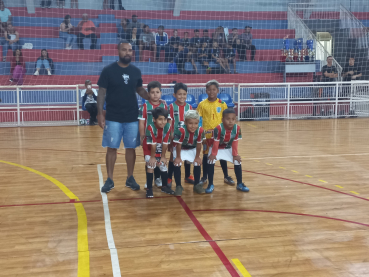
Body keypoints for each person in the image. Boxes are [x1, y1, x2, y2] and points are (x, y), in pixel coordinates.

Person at [97, 40, 151, 193]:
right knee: (112, 148)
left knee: (131, 148)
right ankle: (110, 179)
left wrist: (151, 97)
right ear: (118, 51)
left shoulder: (136, 71)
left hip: (132, 117)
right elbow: (101, 93)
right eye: (124, 50)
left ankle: (130, 177)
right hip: (113, 117)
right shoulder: (108, 70)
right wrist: (100, 113)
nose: (128, 52)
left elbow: (140, 90)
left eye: (130, 50)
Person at [197, 80, 231, 186]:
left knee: (221, 156)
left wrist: (226, 132)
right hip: (207, 136)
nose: (211, 91)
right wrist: (201, 133)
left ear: (218, 90)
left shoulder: (222, 104)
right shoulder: (202, 104)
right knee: (206, 156)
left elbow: (226, 119)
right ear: (206, 91)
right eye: (209, 89)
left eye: (214, 89)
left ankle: (226, 176)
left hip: (219, 135)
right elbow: (198, 120)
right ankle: (204, 177)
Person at [206, 109, 249, 193]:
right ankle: (210, 184)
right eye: (228, 119)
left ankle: (239, 184)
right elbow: (216, 143)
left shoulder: (237, 128)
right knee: (210, 161)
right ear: (222, 120)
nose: (230, 121)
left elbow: (235, 142)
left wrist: (235, 154)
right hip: (216, 148)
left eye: (233, 119)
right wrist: (213, 154)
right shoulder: (218, 129)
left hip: (227, 147)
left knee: (237, 161)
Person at [138, 81, 171, 188]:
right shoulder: (144, 106)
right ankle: (149, 181)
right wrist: (142, 135)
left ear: (161, 93)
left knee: (159, 159)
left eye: (157, 92)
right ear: (148, 94)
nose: (155, 94)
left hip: (161, 138)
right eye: (152, 92)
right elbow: (142, 122)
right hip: (149, 138)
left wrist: (169, 132)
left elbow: (168, 120)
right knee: (149, 160)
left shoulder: (164, 105)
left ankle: (157, 179)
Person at [143, 107, 174, 198]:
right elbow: (152, 144)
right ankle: (149, 189)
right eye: (160, 119)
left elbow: (165, 142)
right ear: (154, 119)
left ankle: (164, 186)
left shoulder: (167, 126)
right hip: (149, 148)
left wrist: (163, 156)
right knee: (151, 165)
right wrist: (152, 157)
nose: (163, 122)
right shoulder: (150, 127)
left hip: (160, 145)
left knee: (163, 165)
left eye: (165, 119)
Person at [173, 110, 205, 195]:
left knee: (197, 163)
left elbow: (199, 144)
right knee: (177, 163)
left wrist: (197, 157)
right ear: (185, 122)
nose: (193, 126)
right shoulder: (181, 130)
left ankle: (197, 185)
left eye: (195, 123)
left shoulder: (200, 130)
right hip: (181, 148)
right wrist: (178, 157)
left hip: (192, 148)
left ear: (198, 123)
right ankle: (178, 186)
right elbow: (178, 145)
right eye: (190, 123)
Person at [167, 83, 194, 187]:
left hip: (187, 136)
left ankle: (188, 176)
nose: (182, 96)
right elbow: (169, 123)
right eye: (179, 94)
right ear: (174, 95)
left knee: (188, 156)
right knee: (173, 156)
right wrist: (170, 136)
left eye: (184, 94)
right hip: (175, 137)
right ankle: (169, 177)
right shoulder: (171, 107)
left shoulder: (189, 107)